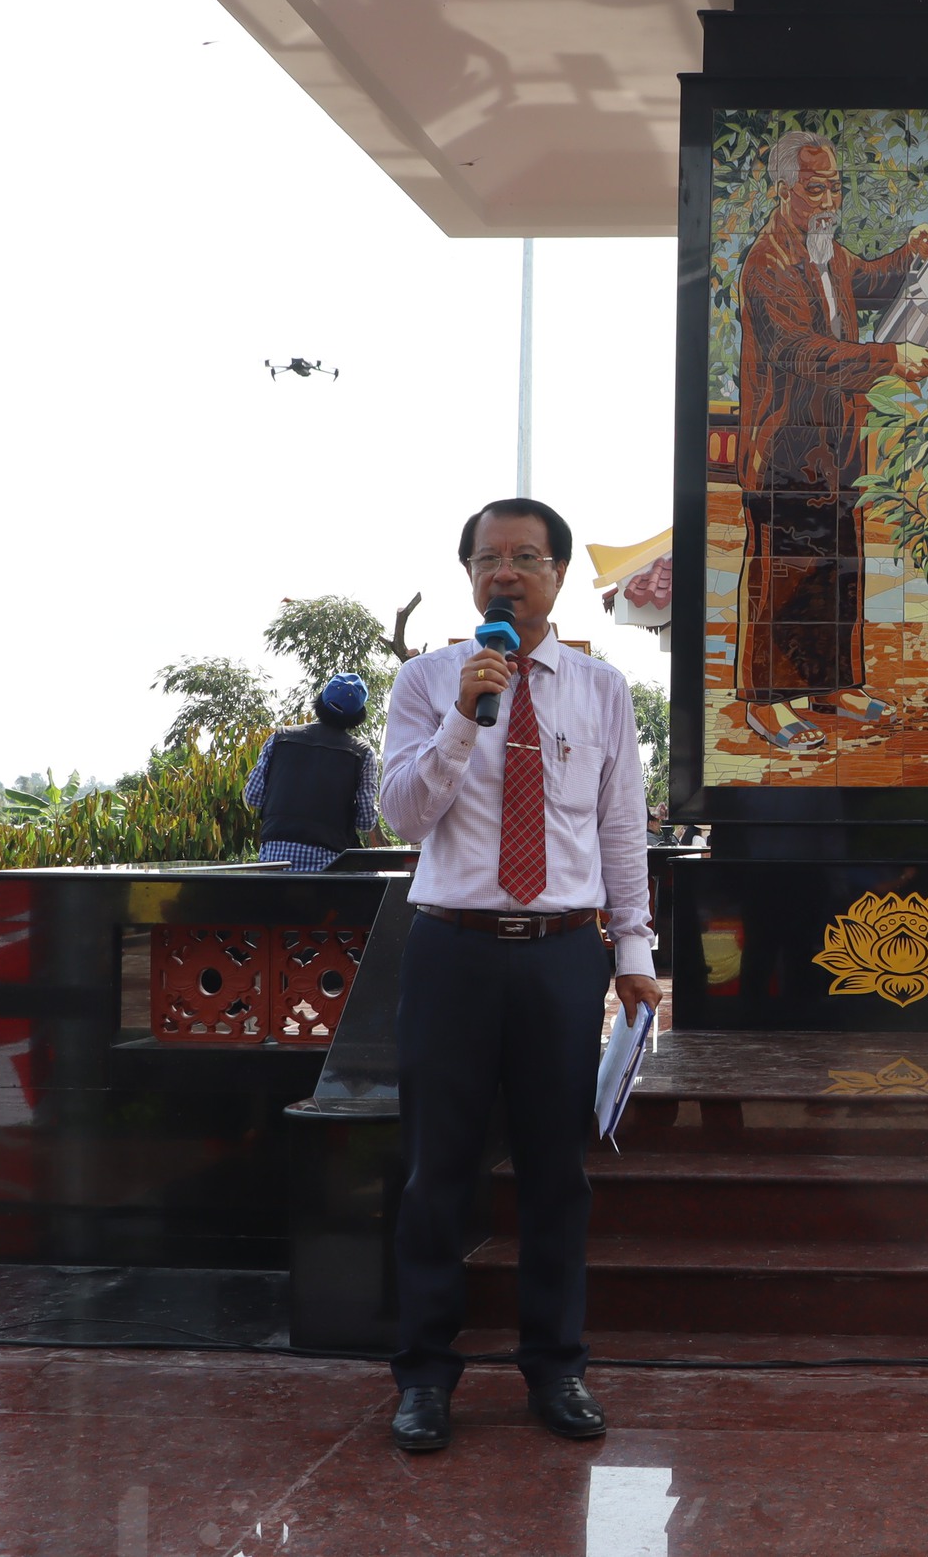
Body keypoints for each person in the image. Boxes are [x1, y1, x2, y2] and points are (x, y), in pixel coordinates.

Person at [377, 498, 660, 1454]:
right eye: (490, 557)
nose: (508, 571)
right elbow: (404, 816)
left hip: (561, 957)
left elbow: (621, 830)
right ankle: (421, 1375)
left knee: (555, 1171)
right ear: (467, 575)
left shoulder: (601, 689)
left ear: (558, 574)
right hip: (452, 948)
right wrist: (465, 714)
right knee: (433, 1173)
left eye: (526, 557)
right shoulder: (425, 681)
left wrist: (633, 953)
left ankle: (556, 1365)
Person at [734, 133, 928, 754]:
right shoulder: (767, 263)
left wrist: (911, 255)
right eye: (815, 188)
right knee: (786, 577)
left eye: (835, 188)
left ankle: (833, 686)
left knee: (839, 568)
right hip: (785, 447)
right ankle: (769, 704)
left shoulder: (826, 252)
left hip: (834, 447)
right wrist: (888, 358)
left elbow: (869, 282)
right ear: (782, 189)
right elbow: (799, 350)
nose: (829, 200)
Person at [246, 674, 379, 871]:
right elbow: (366, 821)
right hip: (329, 864)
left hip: (273, 861)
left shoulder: (280, 737)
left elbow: (253, 797)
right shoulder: (362, 752)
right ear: (358, 716)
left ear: (320, 703)